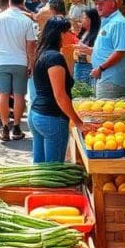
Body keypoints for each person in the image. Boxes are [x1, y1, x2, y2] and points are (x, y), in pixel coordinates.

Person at [29, 17, 87, 163]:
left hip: (37, 114)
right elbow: (60, 95)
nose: (72, 34)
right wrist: (77, 121)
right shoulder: (55, 58)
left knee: (40, 168)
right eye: (69, 31)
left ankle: (38, 186)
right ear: (61, 34)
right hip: (52, 118)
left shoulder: (42, 53)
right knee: (53, 170)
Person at [0, 0, 37, 142]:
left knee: (3, 94)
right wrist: (30, 63)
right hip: (20, 61)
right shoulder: (26, 20)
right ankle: (17, 126)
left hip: (1, 61)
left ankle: (5, 126)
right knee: (20, 95)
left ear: (10, 0)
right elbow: (31, 44)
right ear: (22, 2)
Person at [89, 0, 125, 98]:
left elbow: (120, 52)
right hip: (104, 78)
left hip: (110, 80)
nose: (98, 7)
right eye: (96, 4)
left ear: (113, 4)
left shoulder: (118, 23)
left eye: (101, 3)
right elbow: (108, 49)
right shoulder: (108, 21)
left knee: (106, 113)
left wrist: (101, 68)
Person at [73, 7, 100, 85]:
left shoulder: (97, 34)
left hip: (88, 66)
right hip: (78, 65)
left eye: (84, 17)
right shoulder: (84, 32)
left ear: (91, 19)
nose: (81, 20)